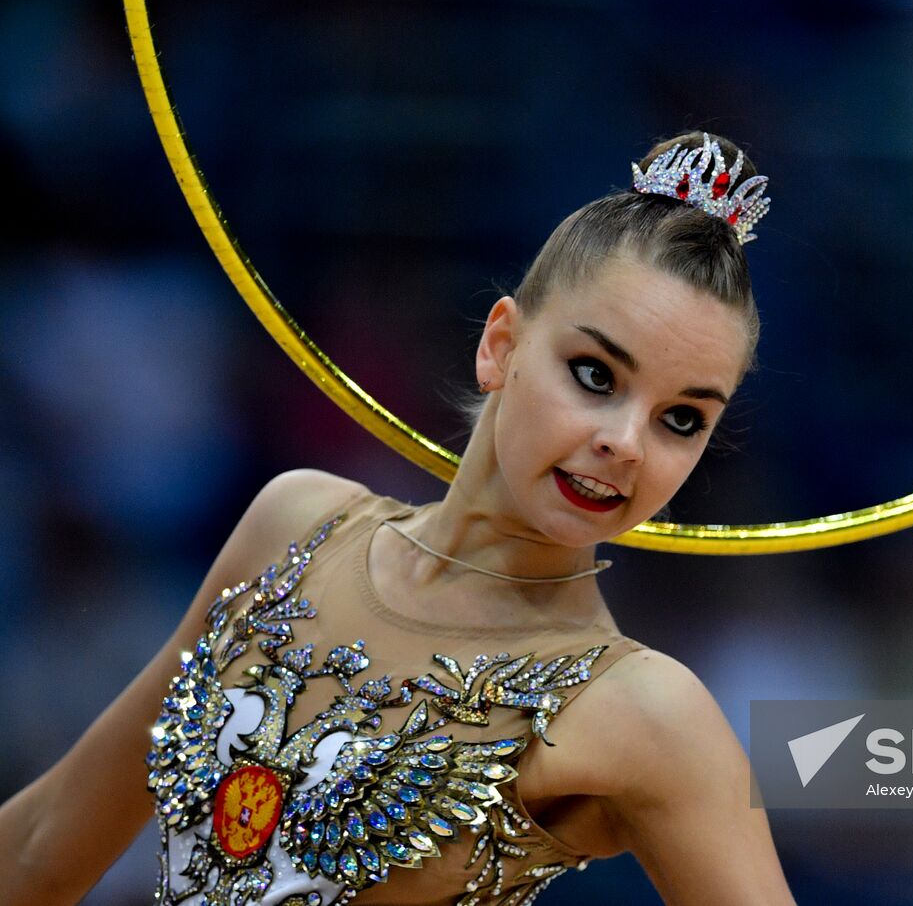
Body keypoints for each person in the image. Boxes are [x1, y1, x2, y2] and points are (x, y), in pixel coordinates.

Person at [0, 131, 796, 906]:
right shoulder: (295, 523)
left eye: (681, 420)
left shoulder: (644, 711)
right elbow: (43, 848)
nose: (625, 443)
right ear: (501, 345)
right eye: (594, 374)